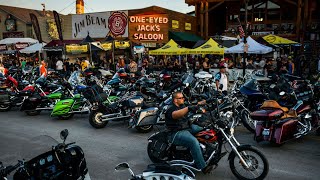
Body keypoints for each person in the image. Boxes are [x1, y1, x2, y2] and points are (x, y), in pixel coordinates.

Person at [165, 91, 213, 173]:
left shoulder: (182, 105)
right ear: (175, 100)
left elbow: (197, 104)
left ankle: (206, 150)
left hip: (186, 127)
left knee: (205, 128)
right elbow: (176, 114)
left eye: (183, 97)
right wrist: (188, 108)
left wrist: (208, 100)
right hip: (176, 132)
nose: (183, 99)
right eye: (181, 98)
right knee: (193, 141)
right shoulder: (171, 109)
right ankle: (202, 166)